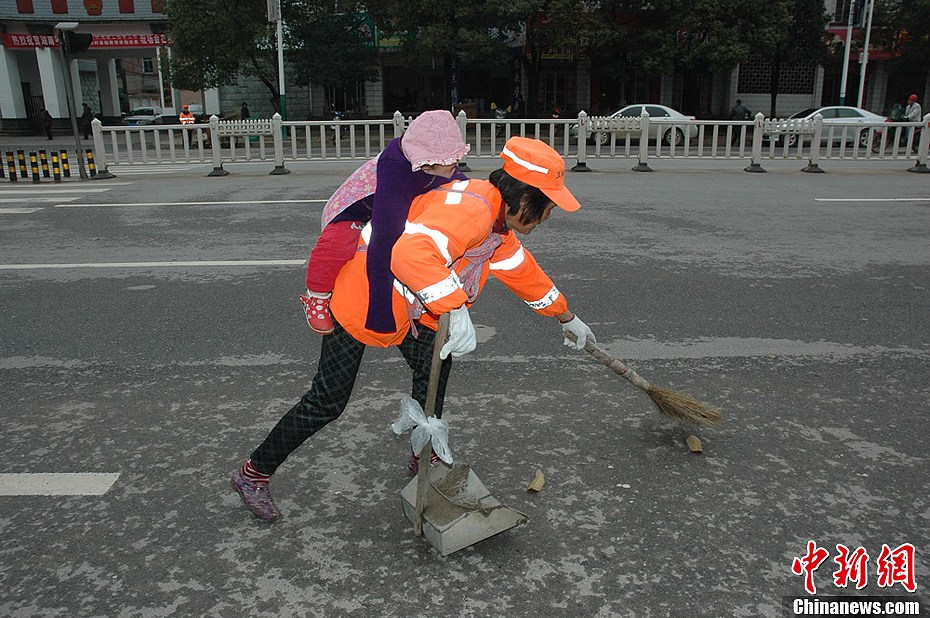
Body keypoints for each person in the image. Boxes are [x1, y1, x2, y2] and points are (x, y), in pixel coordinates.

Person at [231, 136, 597, 522]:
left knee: (435, 362)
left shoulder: (494, 219)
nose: (546, 219)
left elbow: (519, 269)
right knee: (327, 402)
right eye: (548, 209)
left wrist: (564, 315)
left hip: (407, 305)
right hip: (363, 297)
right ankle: (253, 474)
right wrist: (453, 308)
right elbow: (409, 253)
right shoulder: (473, 213)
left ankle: (425, 449)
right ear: (525, 199)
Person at [299, 110, 470, 336]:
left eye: (455, 159)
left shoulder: (438, 160)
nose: (455, 165)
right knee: (337, 246)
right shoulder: (395, 167)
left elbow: (464, 187)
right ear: (428, 161)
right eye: (449, 161)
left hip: (389, 207)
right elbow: (384, 240)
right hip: (352, 212)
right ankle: (317, 295)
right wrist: (380, 314)